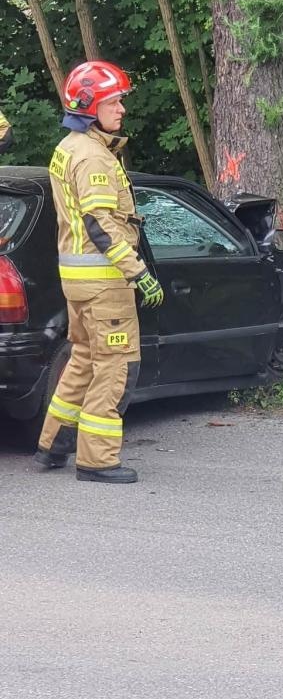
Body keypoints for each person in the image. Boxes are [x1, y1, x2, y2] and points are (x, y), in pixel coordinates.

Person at [34, 60, 163, 484]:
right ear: (90, 106)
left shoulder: (68, 148)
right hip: (106, 284)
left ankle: (52, 444)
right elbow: (101, 224)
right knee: (116, 367)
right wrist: (137, 271)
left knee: (83, 361)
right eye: (114, 100)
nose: (122, 108)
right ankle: (97, 460)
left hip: (78, 282)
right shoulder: (93, 158)